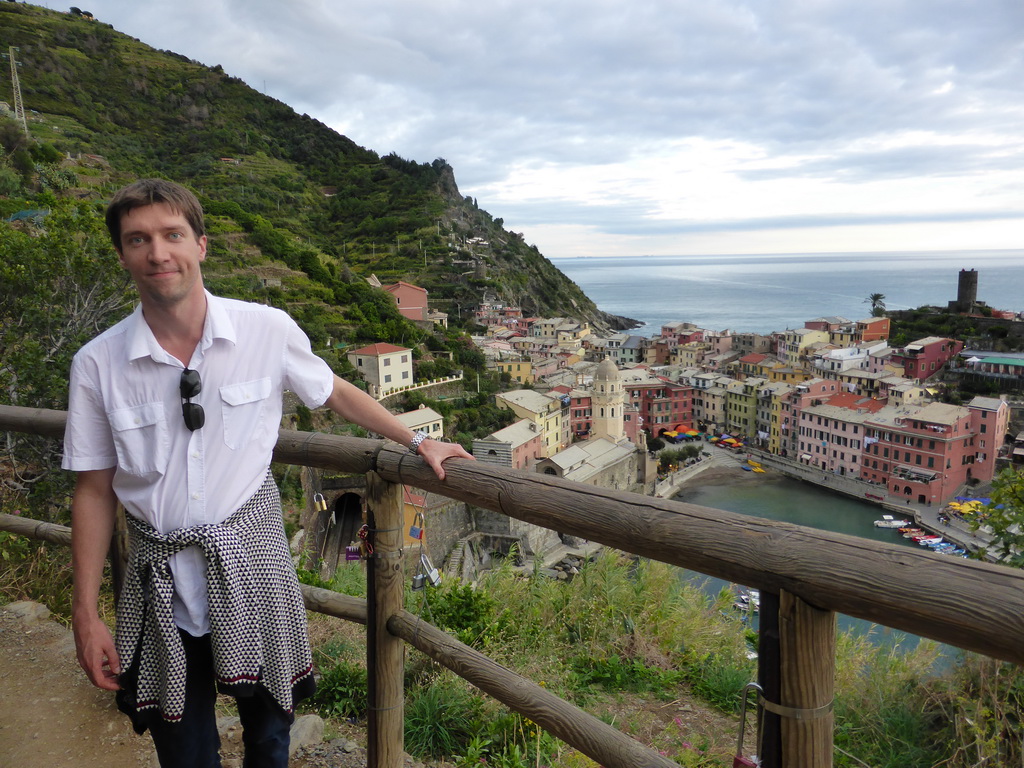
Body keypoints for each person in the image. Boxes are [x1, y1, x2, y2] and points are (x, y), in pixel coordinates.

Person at [63, 178, 472, 768]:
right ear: (123, 253)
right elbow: (94, 489)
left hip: (253, 567)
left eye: (172, 234)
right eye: (138, 239)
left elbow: (333, 391)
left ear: (201, 244)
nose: (158, 253)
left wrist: (418, 440)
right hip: (161, 581)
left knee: (270, 737)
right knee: (184, 752)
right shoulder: (97, 364)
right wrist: (85, 611)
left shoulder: (267, 329)